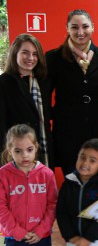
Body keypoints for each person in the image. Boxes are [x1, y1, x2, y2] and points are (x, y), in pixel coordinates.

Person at [46, 9, 98, 174]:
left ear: (93, 28)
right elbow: (45, 95)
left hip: (97, 130)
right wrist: (51, 120)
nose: (80, 32)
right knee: (73, 183)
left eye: (85, 26)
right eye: (74, 27)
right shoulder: (53, 58)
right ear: (67, 28)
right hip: (67, 132)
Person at [0, 34, 53, 168]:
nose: (31, 58)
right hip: (16, 153)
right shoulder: (4, 82)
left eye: (35, 54)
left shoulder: (43, 81)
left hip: (42, 149)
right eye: (25, 53)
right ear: (15, 53)